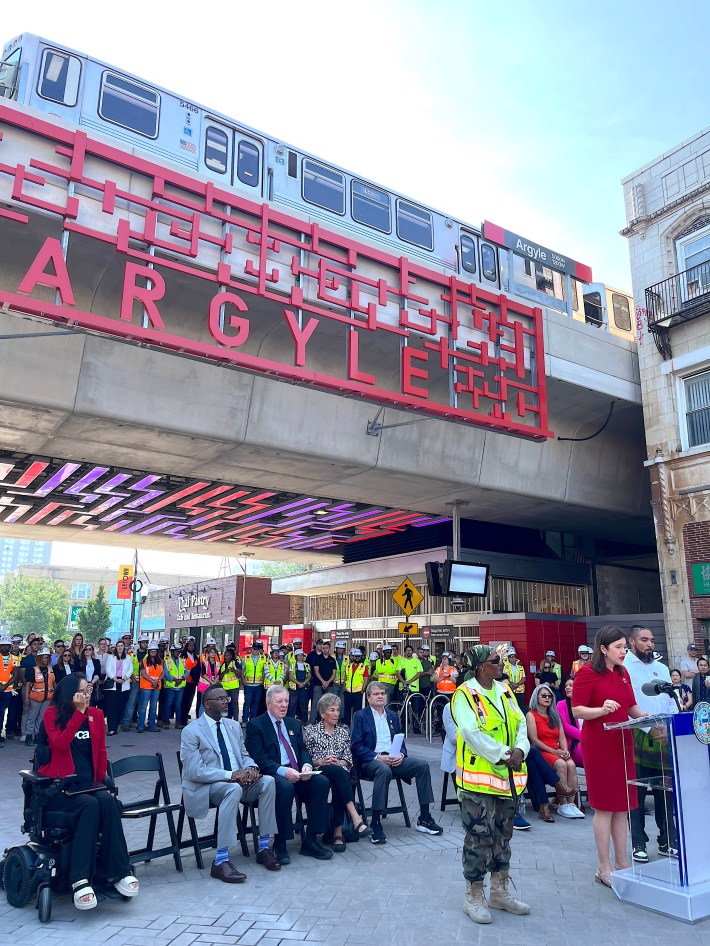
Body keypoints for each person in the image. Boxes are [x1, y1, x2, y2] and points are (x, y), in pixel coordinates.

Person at [37, 673, 139, 910]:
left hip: (88, 785)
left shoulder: (97, 715)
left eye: (89, 690)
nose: (87, 695)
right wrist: (78, 714)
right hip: (60, 787)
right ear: (70, 693)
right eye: (82, 691)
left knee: (108, 802)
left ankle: (119, 870)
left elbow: (101, 752)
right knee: (90, 805)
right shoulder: (52, 714)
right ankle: (79, 879)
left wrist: (100, 781)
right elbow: (60, 744)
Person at [450, 645, 530, 924]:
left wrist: (521, 750)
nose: (501, 665)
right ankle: (473, 897)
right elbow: (472, 734)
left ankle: (499, 891)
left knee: (502, 837)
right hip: (477, 783)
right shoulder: (464, 695)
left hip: (507, 781)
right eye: (496, 661)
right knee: (479, 839)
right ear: (481, 666)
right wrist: (505, 754)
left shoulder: (505, 690)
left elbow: (521, 723)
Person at [572, 625, 648, 888]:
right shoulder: (587, 673)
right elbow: (577, 710)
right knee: (605, 807)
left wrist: (648, 719)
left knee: (622, 806)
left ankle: (622, 862)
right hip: (600, 745)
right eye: (618, 647)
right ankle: (603, 866)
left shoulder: (623, 672)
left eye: (625, 646)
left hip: (622, 743)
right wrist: (601, 710)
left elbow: (631, 706)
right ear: (603, 649)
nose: (624, 651)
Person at [180, 682, 280, 881]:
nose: (226, 702)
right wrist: (230, 775)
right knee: (232, 790)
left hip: (238, 783)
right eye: (220, 699)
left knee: (269, 781)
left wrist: (251, 768)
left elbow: (244, 755)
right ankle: (220, 860)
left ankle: (263, 848)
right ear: (207, 704)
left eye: (226, 698)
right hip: (207, 786)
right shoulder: (192, 731)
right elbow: (194, 771)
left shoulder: (233, 726)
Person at [245, 684, 333, 864]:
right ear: (268, 703)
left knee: (321, 782)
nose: (284, 705)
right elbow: (259, 758)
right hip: (274, 774)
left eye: (286, 701)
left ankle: (310, 840)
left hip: (298, 772)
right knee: (285, 787)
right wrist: (284, 771)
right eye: (279, 702)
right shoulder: (256, 725)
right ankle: (280, 843)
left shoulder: (293, 723)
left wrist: (306, 765)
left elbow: (303, 750)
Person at [351, 681, 443, 844]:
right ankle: (376, 823)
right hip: (371, 761)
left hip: (394, 759)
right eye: (376, 694)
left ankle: (424, 818)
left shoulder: (392, 715)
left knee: (422, 765)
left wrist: (401, 754)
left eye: (382, 693)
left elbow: (401, 740)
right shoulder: (360, 716)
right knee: (383, 770)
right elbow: (356, 746)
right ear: (368, 697)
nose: (380, 696)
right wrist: (378, 757)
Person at [623, 625, 678, 863]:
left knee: (665, 791)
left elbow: (671, 701)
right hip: (638, 733)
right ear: (631, 642)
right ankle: (638, 843)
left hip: (664, 736)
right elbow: (626, 703)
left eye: (652, 640)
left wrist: (671, 727)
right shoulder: (623, 668)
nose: (649, 645)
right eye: (644, 640)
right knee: (636, 792)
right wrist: (648, 727)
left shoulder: (662, 668)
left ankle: (668, 840)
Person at [303, 693, 373, 849]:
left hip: (339, 771)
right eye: (332, 710)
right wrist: (321, 761)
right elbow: (306, 759)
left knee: (340, 776)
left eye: (338, 710)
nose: (336, 714)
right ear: (322, 714)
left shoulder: (343, 732)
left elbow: (348, 760)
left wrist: (338, 762)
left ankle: (338, 831)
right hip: (319, 771)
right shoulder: (312, 732)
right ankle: (350, 823)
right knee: (339, 775)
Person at [526, 684, 583, 818]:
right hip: (542, 750)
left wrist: (565, 750)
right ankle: (562, 803)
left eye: (550, 696)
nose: (547, 698)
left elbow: (562, 736)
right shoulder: (531, 715)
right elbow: (534, 740)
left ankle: (571, 804)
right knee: (561, 764)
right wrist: (554, 751)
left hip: (556, 749)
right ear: (536, 697)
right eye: (543, 696)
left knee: (571, 764)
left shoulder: (554, 715)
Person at [24, 646, 55, 745]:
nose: (45, 659)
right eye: (43, 657)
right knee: (32, 717)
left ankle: (37, 735)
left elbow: (53, 683)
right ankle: (29, 736)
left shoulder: (51, 669)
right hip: (35, 698)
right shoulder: (33, 670)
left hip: (47, 698)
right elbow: (28, 685)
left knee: (42, 717)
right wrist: (26, 698)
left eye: (47, 657)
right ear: (39, 658)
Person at [104, 639, 133, 736]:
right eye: (118, 646)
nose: (120, 647)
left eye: (121, 646)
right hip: (113, 683)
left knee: (120, 706)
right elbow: (108, 669)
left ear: (124, 647)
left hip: (124, 683)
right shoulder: (111, 657)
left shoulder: (128, 657)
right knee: (112, 706)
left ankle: (116, 725)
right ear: (116, 647)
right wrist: (115, 678)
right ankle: (111, 728)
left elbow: (130, 669)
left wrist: (125, 678)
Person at [121, 633, 149, 730]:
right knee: (131, 703)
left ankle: (141, 724)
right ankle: (125, 723)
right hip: (135, 682)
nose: (145, 644)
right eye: (143, 642)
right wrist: (132, 676)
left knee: (143, 705)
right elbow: (128, 666)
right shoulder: (132, 654)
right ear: (139, 643)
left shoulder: (149, 655)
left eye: (146, 642)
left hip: (146, 682)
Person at [136, 643, 163, 733]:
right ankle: (140, 726)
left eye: (155, 651)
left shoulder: (160, 661)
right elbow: (143, 674)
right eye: (151, 651)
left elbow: (163, 672)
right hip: (146, 687)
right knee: (143, 707)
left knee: (153, 707)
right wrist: (153, 681)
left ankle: (152, 726)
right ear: (149, 651)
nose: (153, 652)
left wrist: (158, 680)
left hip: (156, 687)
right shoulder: (144, 661)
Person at [161, 642, 189, 729]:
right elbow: (165, 673)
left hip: (180, 686)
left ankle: (178, 722)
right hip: (170, 686)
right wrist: (174, 679)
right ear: (172, 652)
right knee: (168, 704)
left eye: (179, 651)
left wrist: (182, 678)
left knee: (178, 705)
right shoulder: (167, 661)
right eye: (177, 651)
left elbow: (187, 671)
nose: (178, 653)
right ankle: (166, 721)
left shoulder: (182, 660)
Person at [557, 678, 584, 767]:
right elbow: (564, 726)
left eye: (571, 685)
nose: (567, 688)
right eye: (566, 686)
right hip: (572, 742)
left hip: (590, 739)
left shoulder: (588, 704)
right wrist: (585, 737)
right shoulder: (561, 704)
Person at [310, 640, 336, 723]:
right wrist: (323, 681)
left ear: (329, 648)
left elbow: (334, 673)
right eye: (323, 648)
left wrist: (327, 682)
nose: (325, 649)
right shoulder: (317, 658)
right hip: (318, 684)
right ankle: (311, 722)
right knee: (315, 704)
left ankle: (327, 722)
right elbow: (316, 671)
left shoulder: (332, 660)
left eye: (326, 648)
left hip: (329, 685)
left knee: (329, 705)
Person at [0, 634, 19, 745]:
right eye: (2, 645)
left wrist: (5, 685)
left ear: (10, 646)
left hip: (7, 690)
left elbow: (15, 675)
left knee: (1, 713)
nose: (4, 647)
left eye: (6, 645)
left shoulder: (15, 658)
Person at [242, 640, 266, 724]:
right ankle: (245, 720)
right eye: (255, 649)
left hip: (258, 685)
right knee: (247, 703)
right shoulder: (246, 658)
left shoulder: (263, 658)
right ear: (252, 649)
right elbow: (243, 670)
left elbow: (265, 670)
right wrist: (243, 680)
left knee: (255, 704)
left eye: (258, 649)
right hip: (248, 685)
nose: (256, 650)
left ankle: (252, 721)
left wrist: (263, 681)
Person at [342, 648, 368, 725]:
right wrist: (344, 687)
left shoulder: (363, 667)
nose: (357, 658)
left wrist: (363, 690)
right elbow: (345, 677)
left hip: (358, 692)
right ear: (353, 657)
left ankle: (356, 724)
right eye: (355, 656)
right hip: (348, 691)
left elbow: (366, 679)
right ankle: (346, 724)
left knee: (357, 710)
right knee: (347, 709)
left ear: (361, 657)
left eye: (358, 656)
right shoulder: (348, 666)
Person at [179, 637, 200, 727]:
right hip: (185, 681)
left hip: (193, 682)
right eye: (190, 645)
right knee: (183, 701)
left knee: (189, 701)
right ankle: (182, 719)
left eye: (193, 646)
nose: (191, 647)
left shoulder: (196, 656)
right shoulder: (182, 656)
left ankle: (185, 717)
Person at [218, 645, 243, 721]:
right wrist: (224, 672)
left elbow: (239, 675)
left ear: (231, 656)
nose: (226, 657)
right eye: (225, 656)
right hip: (225, 687)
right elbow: (220, 677)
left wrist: (234, 670)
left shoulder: (235, 663)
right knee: (225, 704)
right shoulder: (223, 664)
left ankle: (235, 720)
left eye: (227, 656)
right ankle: (226, 719)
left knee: (234, 704)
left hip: (233, 687)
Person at [287, 648, 311, 723]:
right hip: (294, 688)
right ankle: (290, 721)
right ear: (296, 656)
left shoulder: (307, 665)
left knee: (304, 705)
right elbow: (290, 677)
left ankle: (304, 721)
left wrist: (304, 683)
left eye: (302, 655)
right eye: (299, 655)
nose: (301, 657)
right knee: (292, 705)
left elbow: (309, 676)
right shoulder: (292, 665)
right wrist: (299, 683)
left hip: (304, 688)